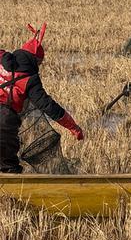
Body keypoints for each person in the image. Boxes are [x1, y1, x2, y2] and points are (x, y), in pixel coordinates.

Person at [0, 24, 84, 173]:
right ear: (35, 60)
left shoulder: (1, 56)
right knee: (9, 167)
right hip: (5, 121)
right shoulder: (30, 79)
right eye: (39, 63)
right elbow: (48, 106)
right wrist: (73, 126)